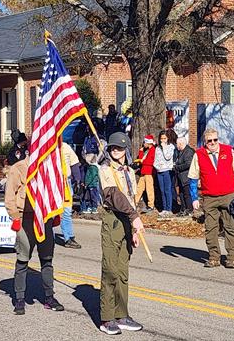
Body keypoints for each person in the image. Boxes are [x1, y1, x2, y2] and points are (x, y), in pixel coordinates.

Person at [97, 132, 145, 335]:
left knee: (123, 273)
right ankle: (107, 318)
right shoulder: (105, 170)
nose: (117, 151)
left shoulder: (130, 172)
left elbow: (132, 199)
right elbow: (114, 196)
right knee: (111, 271)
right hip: (113, 220)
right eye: (113, 148)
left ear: (126, 150)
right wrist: (134, 216)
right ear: (109, 150)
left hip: (127, 221)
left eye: (120, 148)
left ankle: (122, 314)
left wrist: (134, 228)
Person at [4, 156, 64, 315]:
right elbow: (10, 196)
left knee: (47, 259)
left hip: (45, 218)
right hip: (26, 218)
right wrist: (15, 216)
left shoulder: (49, 167)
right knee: (23, 259)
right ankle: (19, 298)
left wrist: (57, 212)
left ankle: (49, 297)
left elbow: (57, 189)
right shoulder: (19, 168)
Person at [188, 128, 234, 269]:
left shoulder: (228, 150)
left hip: (229, 195)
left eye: (215, 139)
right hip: (209, 197)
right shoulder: (199, 154)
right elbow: (192, 178)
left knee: (231, 227)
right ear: (205, 142)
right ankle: (214, 257)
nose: (213, 143)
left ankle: (232, 257)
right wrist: (194, 198)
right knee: (211, 228)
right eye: (210, 141)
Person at [61, 141, 82, 248]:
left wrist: (78, 180)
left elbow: (74, 164)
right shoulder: (46, 147)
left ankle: (69, 237)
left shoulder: (65, 147)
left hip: (65, 183)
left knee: (67, 211)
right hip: (51, 183)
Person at [153, 130, 175, 216]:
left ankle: (169, 209)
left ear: (167, 138)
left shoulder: (171, 147)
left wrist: (165, 147)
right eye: (161, 138)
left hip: (167, 170)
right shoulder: (158, 148)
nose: (163, 140)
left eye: (164, 138)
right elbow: (155, 160)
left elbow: (168, 156)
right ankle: (164, 208)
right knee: (162, 190)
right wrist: (157, 167)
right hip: (159, 171)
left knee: (167, 190)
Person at [174, 137, 195, 217]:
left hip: (186, 176)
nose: (176, 145)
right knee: (181, 194)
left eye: (177, 144)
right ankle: (183, 209)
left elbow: (188, 164)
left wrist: (177, 167)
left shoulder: (188, 151)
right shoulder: (181, 152)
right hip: (181, 177)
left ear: (180, 144)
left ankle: (189, 209)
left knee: (187, 194)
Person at [134, 135, 156, 213]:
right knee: (139, 188)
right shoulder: (146, 150)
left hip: (149, 172)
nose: (143, 144)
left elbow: (151, 161)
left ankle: (151, 205)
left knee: (149, 189)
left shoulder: (153, 150)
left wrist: (142, 161)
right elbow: (141, 159)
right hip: (143, 172)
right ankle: (135, 203)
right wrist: (140, 151)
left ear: (148, 143)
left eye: (144, 142)